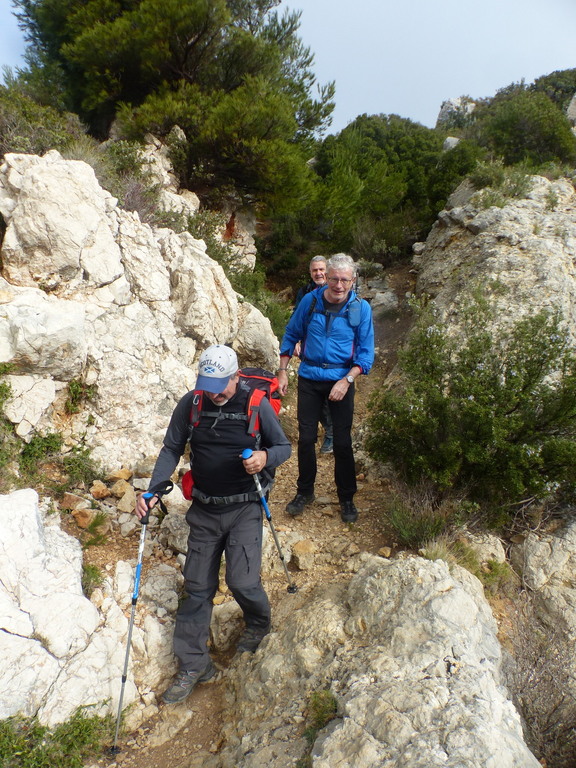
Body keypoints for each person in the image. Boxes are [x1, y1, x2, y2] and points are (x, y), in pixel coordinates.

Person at [135, 344, 291, 704]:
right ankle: (194, 665)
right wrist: (153, 490)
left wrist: (265, 456)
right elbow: (171, 449)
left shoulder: (256, 404)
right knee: (197, 587)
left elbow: (282, 446)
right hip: (204, 508)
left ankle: (258, 622)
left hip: (245, 506)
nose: (214, 392)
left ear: (236, 376)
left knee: (242, 580)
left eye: (221, 384)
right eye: (208, 384)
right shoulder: (191, 404)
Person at [277, 253, 374, 523]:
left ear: (353, 280)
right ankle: (304, 492)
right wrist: (283, 371)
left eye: (345, 280)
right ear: (326, 278)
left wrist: (347, 379)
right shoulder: (310, 301)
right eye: (334, 279)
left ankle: (346, 498)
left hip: (341, 379)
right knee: (306, 439)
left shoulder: (361, 309)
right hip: (309, 377)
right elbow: (291, 334)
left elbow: (366, 355)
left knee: (342, 442)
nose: (339, 285)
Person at [293, 255, 333, 454]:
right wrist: (297, 341)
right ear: (310, 272)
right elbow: (296, 319)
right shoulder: (305, 292)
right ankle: (323, 433)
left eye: (321, 269)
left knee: (329, 396)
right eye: (314, 270)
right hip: (311, 352)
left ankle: (332, 432)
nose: (318, 273)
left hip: (335, 355)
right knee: (315, 394)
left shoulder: (338, 290)